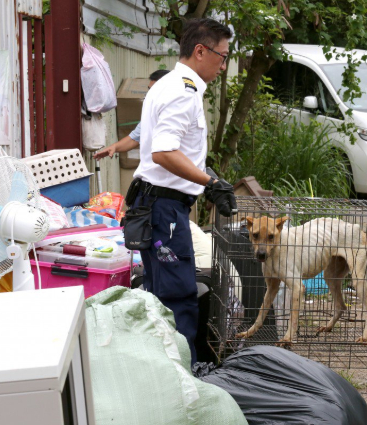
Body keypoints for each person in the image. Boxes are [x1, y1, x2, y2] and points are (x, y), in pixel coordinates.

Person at [128, 18, 236, 365]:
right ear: (200, 50)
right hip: (164, 211)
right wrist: (210, 183)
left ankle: (166, 371)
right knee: (177, 296)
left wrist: (207, 174)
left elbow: (178, 151)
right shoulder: (182, 91)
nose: (223, 65)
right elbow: (163, 151)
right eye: (222, 57)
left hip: (158, 206)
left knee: (162, 295)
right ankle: (186, 379)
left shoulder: (170, 84)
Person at [93, 69, 170, 160]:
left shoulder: (178, 112)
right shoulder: (152, 113)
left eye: (154, 90)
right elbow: (134, 138)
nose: (149, 94)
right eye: (149, 90)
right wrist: (114, 147)